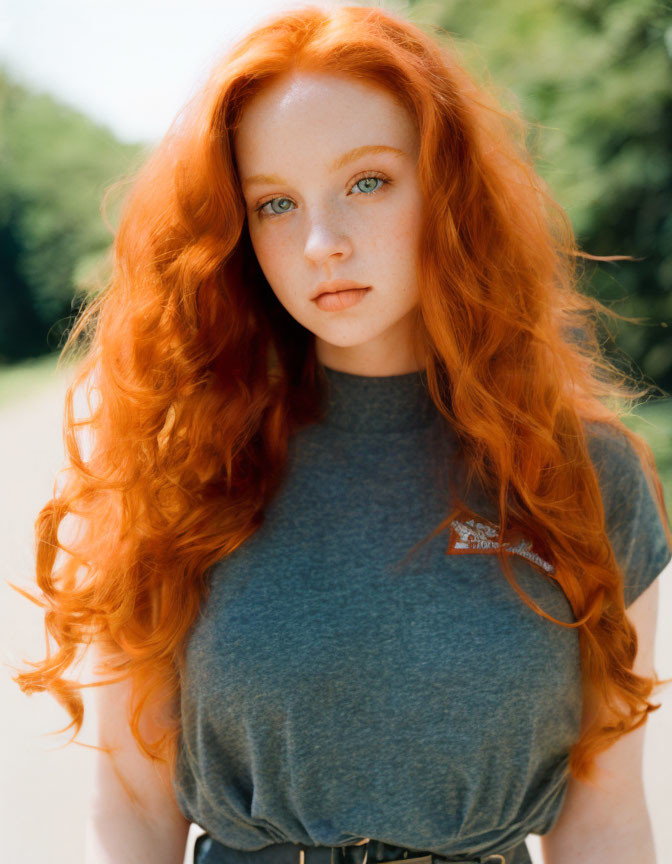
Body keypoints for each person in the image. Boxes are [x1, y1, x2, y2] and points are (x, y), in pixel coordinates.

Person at [8, 4, 672, 864]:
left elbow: (607, 817)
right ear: (237, 232)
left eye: (367, 182)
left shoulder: (584, 473)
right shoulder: (181, 462)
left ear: (447, 188)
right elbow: (132, 811)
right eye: (276, 203)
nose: (323, 242)